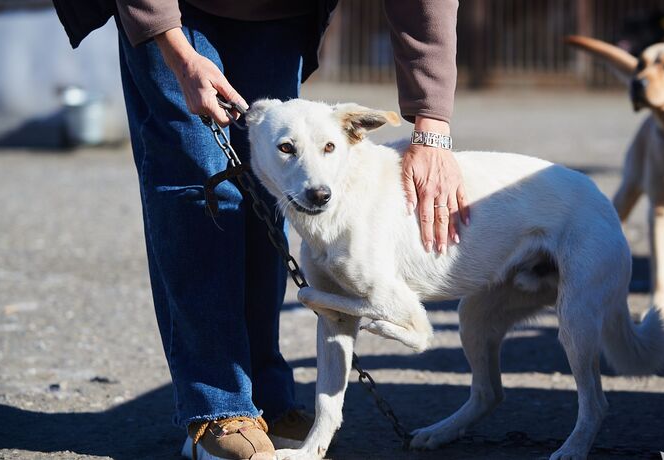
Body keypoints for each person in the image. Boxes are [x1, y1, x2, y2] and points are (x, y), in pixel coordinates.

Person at [52, 1, 467, 458]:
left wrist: (432, 124)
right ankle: (218, 408)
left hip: (275, 12)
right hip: (174, 7)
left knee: (270, 187)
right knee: (202, 183)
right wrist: (176, 50)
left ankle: (265, 399)